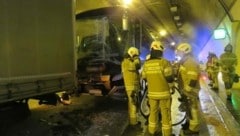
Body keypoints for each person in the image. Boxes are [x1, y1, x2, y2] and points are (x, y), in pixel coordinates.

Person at [141, 41, 174, 136]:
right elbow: (169, 78)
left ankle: (152, 132)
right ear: (160, 51)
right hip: (164, 93)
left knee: (153, 112)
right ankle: (167, 133)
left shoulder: (146, 64)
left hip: (152, 94)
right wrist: (172, 87)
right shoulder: (164, 62)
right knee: (165, 113)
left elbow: (143, 77)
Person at [175, 42, 201, 135]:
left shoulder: (189, 61)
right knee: (188, 108)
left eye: (179, 51)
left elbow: (193, 78)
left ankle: (194, 129)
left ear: (185, 51)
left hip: (191, 91)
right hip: (186, 90)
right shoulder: (185, 61)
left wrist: (187, 90)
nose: (177, 53)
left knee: (193, 109)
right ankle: (189, 123)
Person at [121, 46, 141, 126]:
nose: (137, 57)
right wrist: (136, 58)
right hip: (131, 86)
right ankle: (133, 123)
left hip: (133, 86)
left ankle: (133, 120)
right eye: (136, 55)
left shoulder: (128, 61)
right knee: (133, 104)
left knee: (133, 103)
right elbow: (137, 66)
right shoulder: (126, 61)